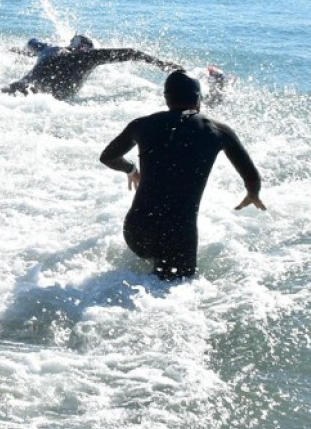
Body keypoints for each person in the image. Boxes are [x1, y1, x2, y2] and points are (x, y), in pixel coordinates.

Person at [97, 70, 264, 281]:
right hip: (178, 233)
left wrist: (131, 170)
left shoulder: (141, 124)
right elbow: (252, 177)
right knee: (171, 293)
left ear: (166, 98)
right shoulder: (218, 130)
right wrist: (253, 194)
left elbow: (108, 157)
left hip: (137, 229)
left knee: (148, 279)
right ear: (198, 98)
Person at [5, 35, 184, 100]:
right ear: (85, 48)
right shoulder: (89, 58)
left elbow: (32, 42)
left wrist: (24, 52)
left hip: (19, 88)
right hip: (51, 102)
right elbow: (131, 52)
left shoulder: (48, 49)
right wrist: (162, 64)